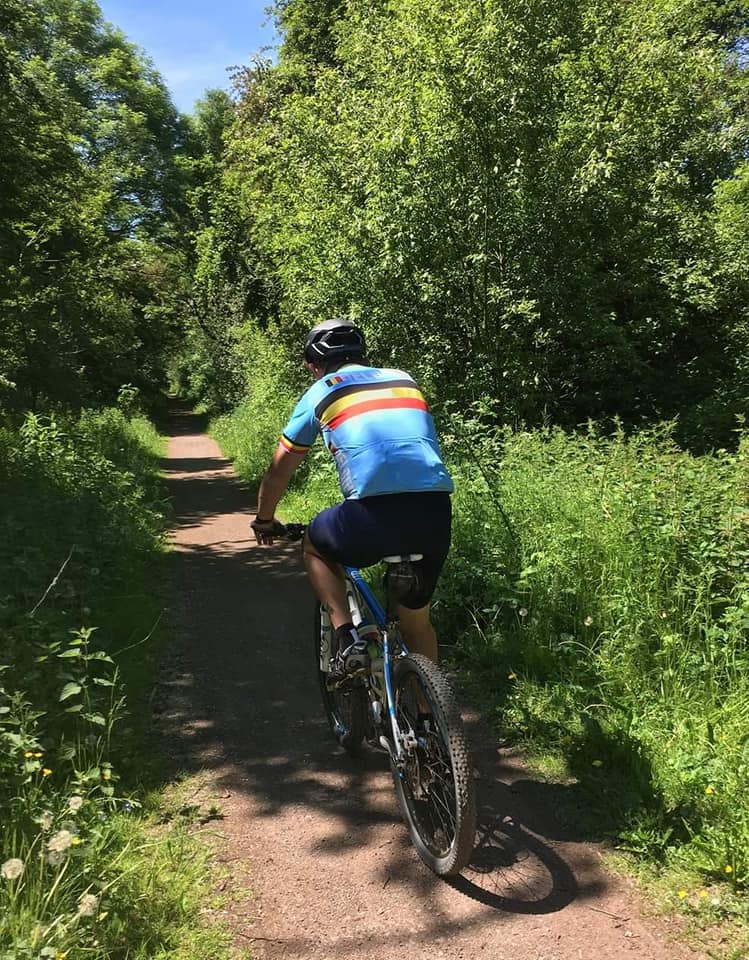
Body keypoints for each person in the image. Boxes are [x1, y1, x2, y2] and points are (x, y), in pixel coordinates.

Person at [251, 320, 453, 674]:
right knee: (418, 624)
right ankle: (427, 721)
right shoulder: (403, 379)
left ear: (315, 365)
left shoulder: (322, 390)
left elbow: (279, 471)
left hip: (371, 515)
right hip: (434, 511)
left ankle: (348, 640)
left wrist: (264, 520)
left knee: (314, 543)